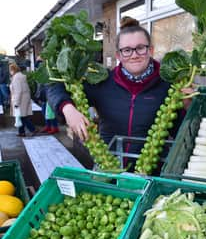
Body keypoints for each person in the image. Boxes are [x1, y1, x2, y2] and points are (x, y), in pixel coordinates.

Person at [46, 17, 192, 160]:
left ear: (151, 50)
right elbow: (54, 86)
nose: (134, 55)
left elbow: (182, 132)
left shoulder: (168, 86)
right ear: (118, 55)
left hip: (152, 174)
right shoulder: (102, 81)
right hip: (108, 169)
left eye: (140, 48)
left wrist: (189, 109)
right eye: (127, 50)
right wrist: (68, 109)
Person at [9, 63, 37, 137]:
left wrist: (16, 103)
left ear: (13, 70)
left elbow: (18, 91)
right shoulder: (20, 76)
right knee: (20, 116)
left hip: (20, 100)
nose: (10, 72)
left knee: (22, 117)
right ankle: (21, 132)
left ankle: (33, 129)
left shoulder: (16, 78)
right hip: (24, 98)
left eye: (10, 70)